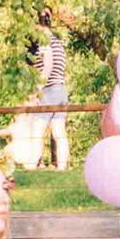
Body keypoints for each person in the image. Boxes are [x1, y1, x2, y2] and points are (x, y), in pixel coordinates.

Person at [30, 9, 70, 172]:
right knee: (59, 132)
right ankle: (62, 168)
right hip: (60, 88)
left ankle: (31, 167)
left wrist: (38, 89)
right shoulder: (57, 40)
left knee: (37, 130)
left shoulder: (45, 39)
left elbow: (48, 64)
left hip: (49, 89)